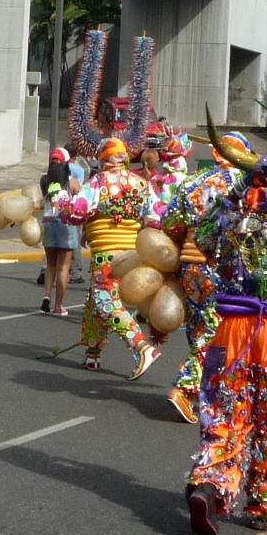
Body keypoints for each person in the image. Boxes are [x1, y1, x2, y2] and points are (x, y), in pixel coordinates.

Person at [172, 112, 267, 535]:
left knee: (224, 414)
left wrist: (232, 195)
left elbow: (201, 236)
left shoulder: (231, 220)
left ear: (250, 184)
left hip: (230, 329)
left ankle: (209, 487)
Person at [54, 136, 162, 378]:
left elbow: (75, 212)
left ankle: (142, 347)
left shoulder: (98, 182)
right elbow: (156, 218)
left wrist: (59, 197)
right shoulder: (141, 184)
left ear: (103, 159)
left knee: (105, 301)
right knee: (95, 302)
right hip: (132, 256)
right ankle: (93, 353)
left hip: (107, 256)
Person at [159, 130, 248, 423]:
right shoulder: (247, 186)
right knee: (217, 330)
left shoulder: (191, 183)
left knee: (200, 327)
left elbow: (170, 223)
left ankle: (209, 392)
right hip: (226, 265)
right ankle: (185, 388)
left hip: (191, 264)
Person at [38, 148, 83, 317]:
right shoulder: (72, 183)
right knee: (63, 268)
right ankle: (58, 306)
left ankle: (46, 298)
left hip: (48, 222)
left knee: (50, 265)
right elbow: (79, 199)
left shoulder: (44, 181)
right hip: (66, 224)